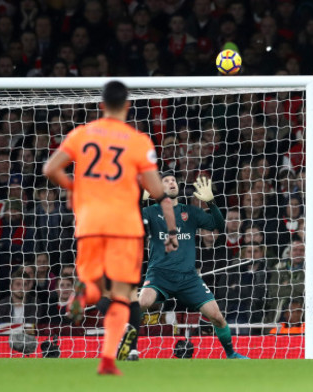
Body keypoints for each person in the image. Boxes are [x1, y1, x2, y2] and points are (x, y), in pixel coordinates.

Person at [42, 80, 179, 376]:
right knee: (122, 292)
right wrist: (170, 231)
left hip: (90, 223)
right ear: (127, 106)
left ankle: (83, 296)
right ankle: (107, 360)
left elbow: (50, 169)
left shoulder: (81, 135)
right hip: (125, 226)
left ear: (101, 105)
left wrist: (74, 186)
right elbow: (158, 191)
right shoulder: (138, 141)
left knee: (94, 285)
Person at [127, 173, 248, 359]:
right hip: (159, 275)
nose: (171, 183)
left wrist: (212, 203)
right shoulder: (151, 211)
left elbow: (218, 224)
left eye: (173, 180)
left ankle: (231, 354)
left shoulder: (189, 212)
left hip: (188, 278)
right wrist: (140, 203)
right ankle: (125, 346)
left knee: (216, 316)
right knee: (140, 303)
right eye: (165, 181)